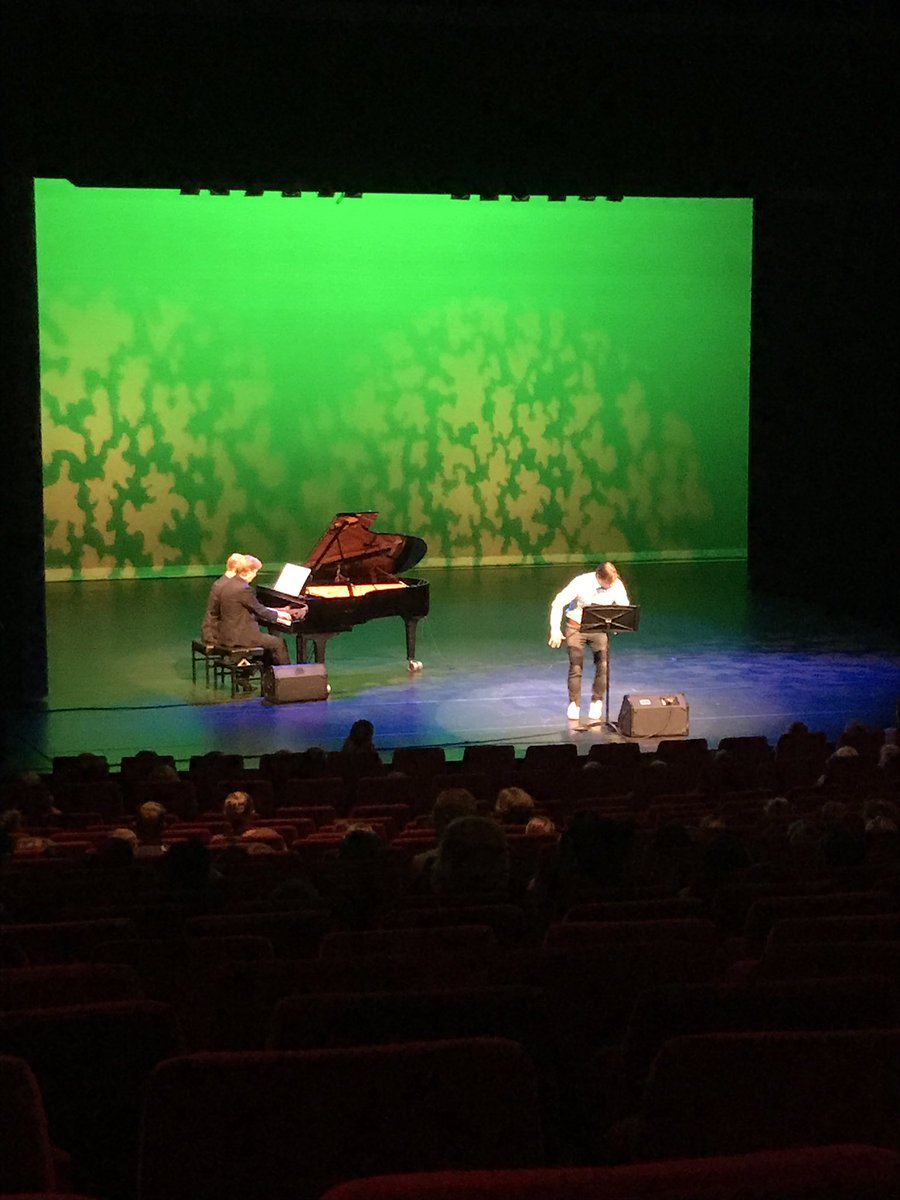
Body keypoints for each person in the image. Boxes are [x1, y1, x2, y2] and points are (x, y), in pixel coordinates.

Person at [548, 560, 630, 722]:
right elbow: (558, 603)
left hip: (598, 629)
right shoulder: (581, 582)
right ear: (598, 576)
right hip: (576, 628)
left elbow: (624, 607)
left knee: (603, 665)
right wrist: (555, 630)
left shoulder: (616, 585)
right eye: (607, 583)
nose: (610, 586)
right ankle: (574, 704)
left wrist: (616, 621)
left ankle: (597, 700)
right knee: (576, 665)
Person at [217, 555, 294, 668]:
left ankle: (267, 675)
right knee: (278, 643)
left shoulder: (229, 584)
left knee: (269, 644)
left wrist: (276, 613)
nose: (255, 575)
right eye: (255, 572)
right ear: (248, 571)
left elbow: (255, 608)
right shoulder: (243, 589)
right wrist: (280, 616)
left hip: (228, 634)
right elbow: (260, 611)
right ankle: (287, 677)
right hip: (240, 637)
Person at [200, 552, 246, 645]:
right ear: (238, 569)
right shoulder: (230, 586)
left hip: (210, 629)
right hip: (217, 633)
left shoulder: (220, 582)